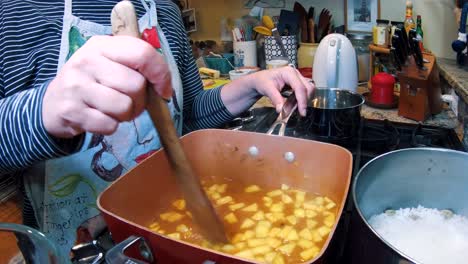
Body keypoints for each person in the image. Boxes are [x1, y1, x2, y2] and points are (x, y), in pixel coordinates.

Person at [0, 0, 313, 256]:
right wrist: (40, 113)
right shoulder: (16, 13)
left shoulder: (165, 11)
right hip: (70, 245)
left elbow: (188, 116)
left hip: (168, 233)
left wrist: (252, 84)